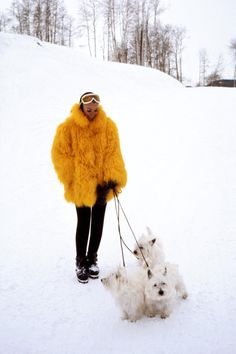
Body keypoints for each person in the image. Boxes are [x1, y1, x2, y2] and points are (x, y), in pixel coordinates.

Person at [51, 92, 127, 283]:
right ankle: (80, 261)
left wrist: (112, 180)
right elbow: (59, 154)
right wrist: (73, 178)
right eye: (88, 109)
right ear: (81, 107)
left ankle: (92, 258)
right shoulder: (68, 127)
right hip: (82, 185)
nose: (92, 113)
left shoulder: (108, 126)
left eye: (94, 109)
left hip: (102, 184)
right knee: (83, 222)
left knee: (98, 221)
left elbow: (114, 152)